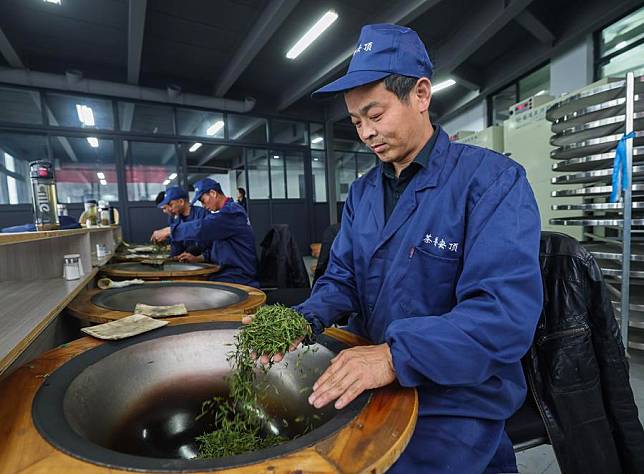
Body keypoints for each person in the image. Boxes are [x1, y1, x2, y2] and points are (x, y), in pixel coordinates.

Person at [247, 24, 543, 473]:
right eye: (356, 122)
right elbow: (341, 278)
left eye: (375, 114)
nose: (365, 133)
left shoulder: (491, 182)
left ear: (421, 95)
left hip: (457, 399)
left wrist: (394, 355)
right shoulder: (364, 193)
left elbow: (503, 313)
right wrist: (301, 319)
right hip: (377, 381)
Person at [171, 178, 259, 287]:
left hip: (238, 277)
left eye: (203, 200)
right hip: (227, 273)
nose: (203, 206)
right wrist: (198, 258)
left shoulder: (232, 212)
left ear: (213, 193)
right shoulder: (225, 214)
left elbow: (202, 228)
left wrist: (171, 231)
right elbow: (221, 249)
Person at [150, 186, 210, 258]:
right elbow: (176, 244)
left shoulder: (202, 214)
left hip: (205, 259)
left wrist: (198, 257)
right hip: (186, 259)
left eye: (171, 205)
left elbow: (209, 243)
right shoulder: (173, 218)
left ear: (181, 202)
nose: (167, 210)